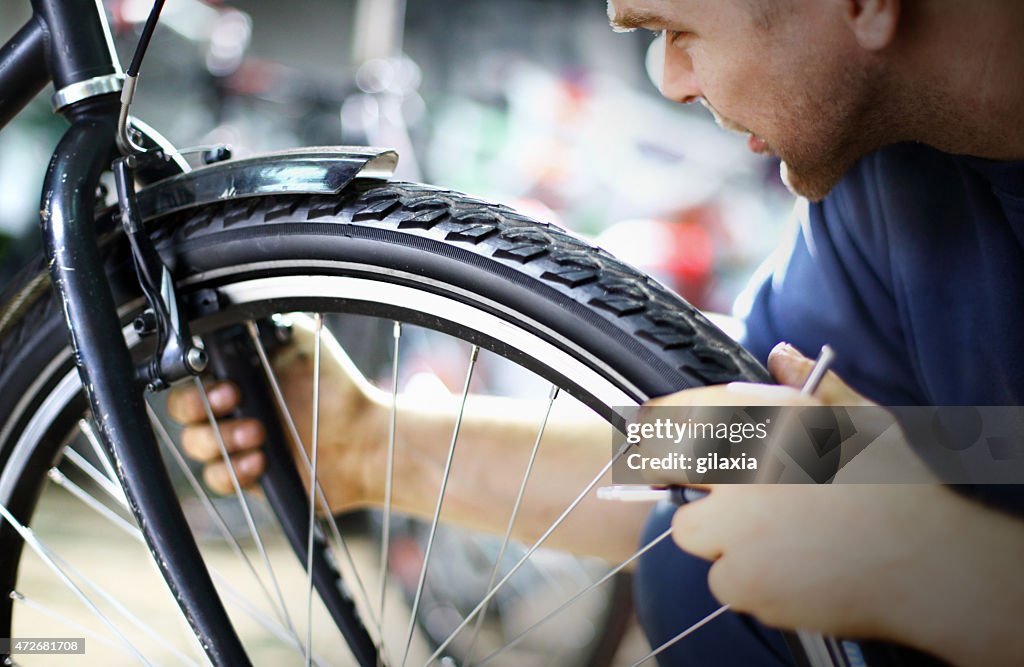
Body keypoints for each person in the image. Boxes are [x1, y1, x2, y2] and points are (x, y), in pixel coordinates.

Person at [168, 0, 1024, 665]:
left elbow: (902, 529)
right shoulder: (902, 189)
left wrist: (941, 572)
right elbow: (737, 456)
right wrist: (373, 445)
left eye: (677, 27)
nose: (668, 76)